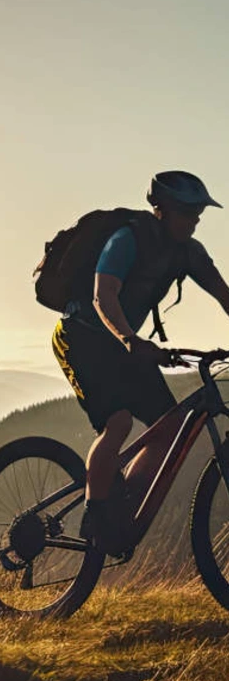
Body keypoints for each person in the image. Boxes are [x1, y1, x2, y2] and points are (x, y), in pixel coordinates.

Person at [52, 171, 229, 548]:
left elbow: (224, 295)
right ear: (162, 210)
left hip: (126, 346)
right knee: (117, 423)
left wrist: (132, 344)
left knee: (171, 426)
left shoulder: (189, 252)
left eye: (198, 212)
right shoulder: (127, 239)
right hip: (82, 336)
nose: (196, 218)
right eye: (188, 211)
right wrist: (130, 340)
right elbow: (104, 296)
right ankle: (98, 514)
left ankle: (122, 508)